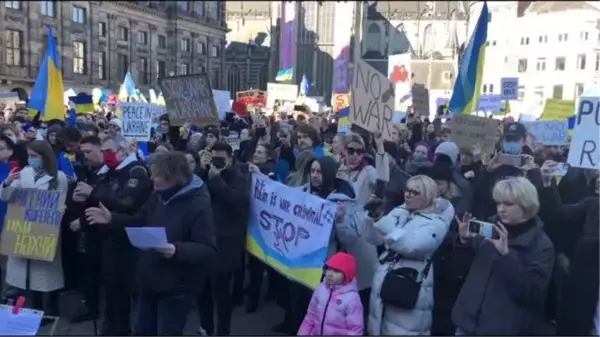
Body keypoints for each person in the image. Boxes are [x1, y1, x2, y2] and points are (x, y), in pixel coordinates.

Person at [85, 151, 217, 335]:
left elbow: (207, 247)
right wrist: (111, 219)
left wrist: (176, 250)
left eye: (156, 175)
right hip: (149, 282)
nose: (151, 178)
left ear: (173, 177)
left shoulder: (198, 204)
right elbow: (140, 219)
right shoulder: (157, 195)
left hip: (176, 289)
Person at [452, 177, 554, 335]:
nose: (501, 209)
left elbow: (532, 293)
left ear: (526, 205)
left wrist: (505, 255)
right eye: (498, 203)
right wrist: (464, 241)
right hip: (466, 322)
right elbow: (463, 270)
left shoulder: (541, 245)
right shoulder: (489, 229)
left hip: (503, 327)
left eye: (508, 204)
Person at [79, 135, 153, 335]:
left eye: (109, 151)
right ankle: (114, 327)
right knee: (112, 288)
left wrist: (93, 193)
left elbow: (127, 202)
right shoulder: (107, 172)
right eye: (103, 151)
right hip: (108, 238)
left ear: (123, 151)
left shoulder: (136, 171)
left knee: (131, 289)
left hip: (129, 239)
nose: (105, 155)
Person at [366, 175, 454, 335]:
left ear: (427, 196)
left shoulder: (437, 222)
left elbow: (411, 246)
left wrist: (385, 226)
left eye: (415, 192)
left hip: (409, 284)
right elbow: (374, 239)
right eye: (407, 190)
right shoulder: (402, 211)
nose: (408, 195)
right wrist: (374, 216)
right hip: (385, 281)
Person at [0, 140, 68, 317]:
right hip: (23, 231)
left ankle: (49, 311)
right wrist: (6, 183)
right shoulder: (22, 174)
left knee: (44, 276)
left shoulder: (59, 177)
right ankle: (28, 310)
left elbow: (60, 200)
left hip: (44, 232)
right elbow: (6, 197)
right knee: (23, 277)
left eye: (34, 156)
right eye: (29, 156)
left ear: (45, 157)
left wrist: (60, 209)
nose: (31, 160)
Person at [197, 142, 250, 336]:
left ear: (230, 158)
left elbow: (236, 201)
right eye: (214, 158)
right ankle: (205, 328)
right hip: (204, 240)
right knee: (202, 292)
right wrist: (201, 169)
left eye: (221, 159)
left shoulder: (240, 177)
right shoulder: (204, 173)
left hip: (226, 245)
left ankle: (223, 331)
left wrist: (217, 179)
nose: (217, 162)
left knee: (221, 295)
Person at [68, 135, 105, 323]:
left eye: (90, 152)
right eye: (84, 153)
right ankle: (90, 306)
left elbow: (107, 202)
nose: (86, 156)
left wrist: (82, 221)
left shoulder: (108, 173)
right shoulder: (86, 171)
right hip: (87, 232)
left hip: (101, 231)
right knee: (88, 271)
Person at [298, 252, 364, 336]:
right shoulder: (321, 289)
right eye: (329, 269)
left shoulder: (352, 298)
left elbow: (355, 329)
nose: (330, 274)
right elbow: (311, 316)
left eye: (336, 271)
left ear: (347, 275)